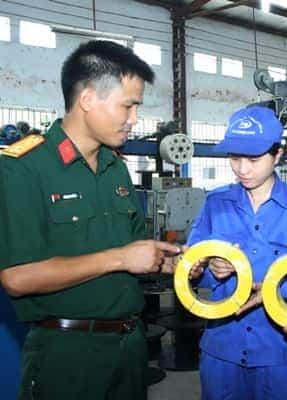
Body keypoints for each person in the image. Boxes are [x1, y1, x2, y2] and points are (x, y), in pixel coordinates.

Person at [0, 40, 180, 400]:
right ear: (87, 99)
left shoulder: (116, 169)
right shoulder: (23, 168)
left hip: (130, 347)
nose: (134, 119)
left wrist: (174, 262)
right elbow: (17, 278)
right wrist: (120, 258)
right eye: (127, 106)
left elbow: (134, 253)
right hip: (67, 356)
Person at [186, 105, 287, 400]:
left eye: (253, 159)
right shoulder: (215, 203)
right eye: (235, 158)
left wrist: (272, 287)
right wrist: (210, 270)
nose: (242, 169)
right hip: (222, 350)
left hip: (279, 352)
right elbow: (191, 269)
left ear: (277, 155)